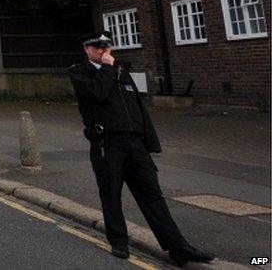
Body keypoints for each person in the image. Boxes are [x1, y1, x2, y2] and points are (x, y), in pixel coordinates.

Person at [68, 31, 214, 265]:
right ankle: (119, 242)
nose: (103, 51)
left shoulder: (121, 70)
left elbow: (137, 107)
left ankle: (178, 247)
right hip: (107, 143)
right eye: (97, 47)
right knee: (111, 195)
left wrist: (148, 143)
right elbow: (97, 94)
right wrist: (107, 68)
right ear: (86, 49)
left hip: (134, 143)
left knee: (153, 196)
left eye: (106, 47)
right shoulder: (79, 72)